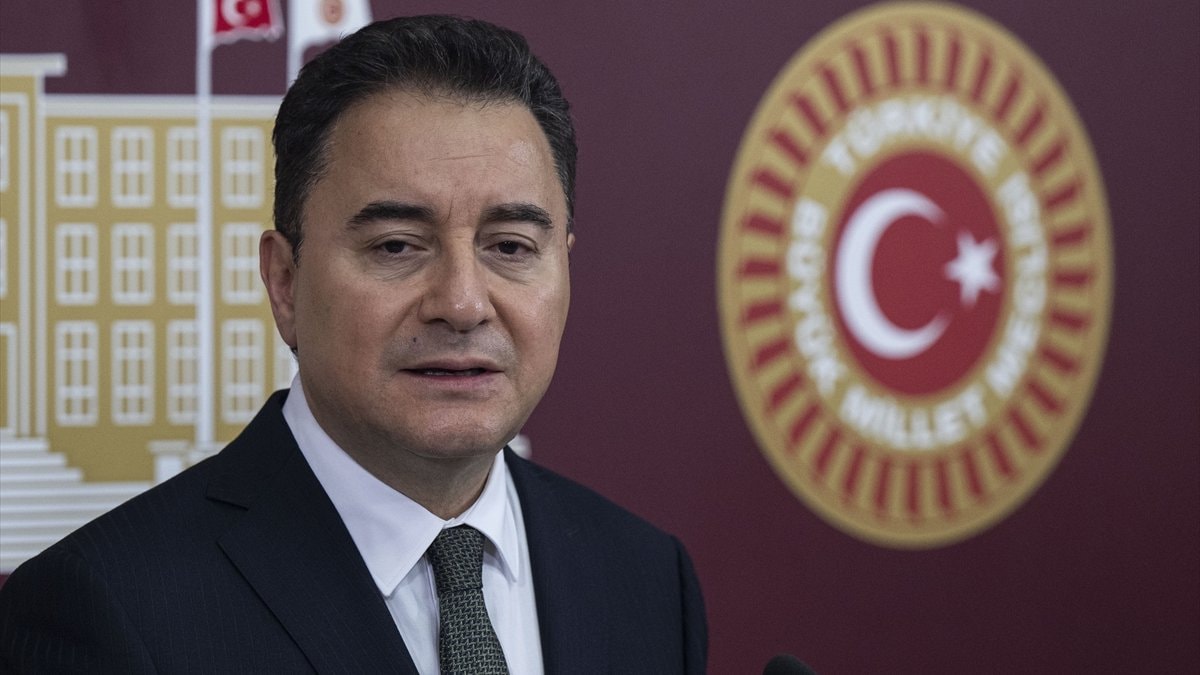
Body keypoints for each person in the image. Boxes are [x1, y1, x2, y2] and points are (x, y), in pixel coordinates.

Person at [0, 15, 707, 674]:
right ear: (285, 282)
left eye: (511, 247)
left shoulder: (647, 579)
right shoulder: (106, 610)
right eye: (397, 245)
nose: (462, 303)